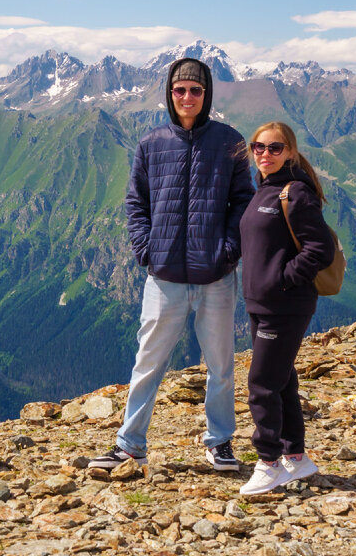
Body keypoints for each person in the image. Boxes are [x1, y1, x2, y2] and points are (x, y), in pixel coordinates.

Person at [89, 58, 254, 474]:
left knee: (220, 364)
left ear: (206, 95)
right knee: (148, 361)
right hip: (163, 276)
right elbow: (136, 204)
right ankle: (130, 445)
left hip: (215, 275)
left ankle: (220, 443)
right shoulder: (151, 144)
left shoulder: (230, 142)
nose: (187, 97)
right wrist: (147, 250)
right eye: (180, 90)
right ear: (170, 94)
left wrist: (229, 249)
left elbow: (243, 201)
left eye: (195, 90)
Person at [237, 121, 336, 495]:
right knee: (281, 381)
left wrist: (283, 279)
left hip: (284, 305)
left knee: (261, 384)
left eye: (275, 148)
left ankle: (268, 463)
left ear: (290, 152)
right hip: (262, 303)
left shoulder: (295, 193)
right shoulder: (265, 189)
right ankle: (296, 457)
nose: (265, 154)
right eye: (258, 147)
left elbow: (320, 249)